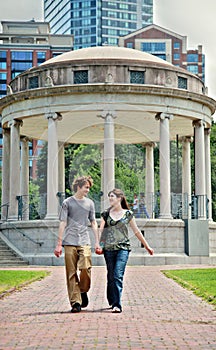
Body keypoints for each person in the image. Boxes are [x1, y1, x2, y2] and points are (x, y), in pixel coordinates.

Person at [97, 188, 154, 313]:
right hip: (109, 248)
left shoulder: (128, 214)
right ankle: (112, 299)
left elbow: (136, 231)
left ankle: (117, 304)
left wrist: (147, 246)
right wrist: (98, 244)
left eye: (112, 196)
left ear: (119, 198)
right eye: (109, 196)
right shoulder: (105, 214)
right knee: (111, 276)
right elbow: (101, 230)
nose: (110, 198)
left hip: (123, 248)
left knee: (118, 274)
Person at [54, 175, 100, 313]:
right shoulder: (67, 202)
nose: (87, 190)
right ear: (79, 187)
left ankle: (83, 290)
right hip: (69, 241)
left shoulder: (90, 203)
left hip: (84, 240)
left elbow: (93, 222)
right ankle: (75, 303)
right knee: (71, 272)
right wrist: (59, 243)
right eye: (86, 187)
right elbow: (62, 222)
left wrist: (97, 241)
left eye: (88, 188)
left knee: (86, 266)